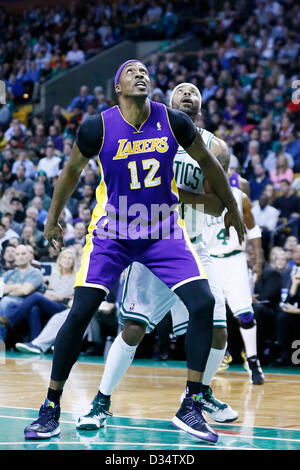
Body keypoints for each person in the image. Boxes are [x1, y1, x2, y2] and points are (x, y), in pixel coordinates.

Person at [24, 60, 245, 443]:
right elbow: (71, 172)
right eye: (130, 71)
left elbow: (209, 165)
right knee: (80, 312)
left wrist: (232, 210)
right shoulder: (98, 126)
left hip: (162, 229)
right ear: (118, 87)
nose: (140, 74)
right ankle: (51, 407)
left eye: (144, 71)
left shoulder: (173, 121)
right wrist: (51, 219)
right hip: (113, 230)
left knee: (204, 302)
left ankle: (190, 404)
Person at [77, 82, 239, 432]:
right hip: (153, 241)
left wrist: (172, 197)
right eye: (181, 91)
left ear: (202, 104)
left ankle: (197, 396)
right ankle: (101, 401)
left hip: (192, 243)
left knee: (218, 333)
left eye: (194, 91)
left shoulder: (216, 148)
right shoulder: (150, 135)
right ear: (166, 103)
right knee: (134, 328)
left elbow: (215, 203)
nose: (188, 95)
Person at [0, 248, 76, 341]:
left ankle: (11, 320)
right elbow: (49, 291)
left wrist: (59, 298)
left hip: (64, 306)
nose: (67, 260)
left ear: (73, 262)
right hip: (50, 302)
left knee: (36, 295)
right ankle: (34, 343)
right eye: (64, 258)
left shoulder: (76, 277)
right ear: (59, 260)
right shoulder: (54, 275)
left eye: (70, 258)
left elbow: (76, 298)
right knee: (34, 308)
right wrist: (50, 296)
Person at [0, 245, 44, 341]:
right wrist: (17, 286)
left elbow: (25, 291)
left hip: (26, 306)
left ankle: (0, 339)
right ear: (15, 257)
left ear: (29, 256)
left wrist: (7, 290)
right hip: (8, 303)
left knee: (5, 301)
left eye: (23, 253)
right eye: (17, 254)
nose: (20, 256)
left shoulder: (36, 273)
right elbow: (0, 290)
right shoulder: (8, 273)